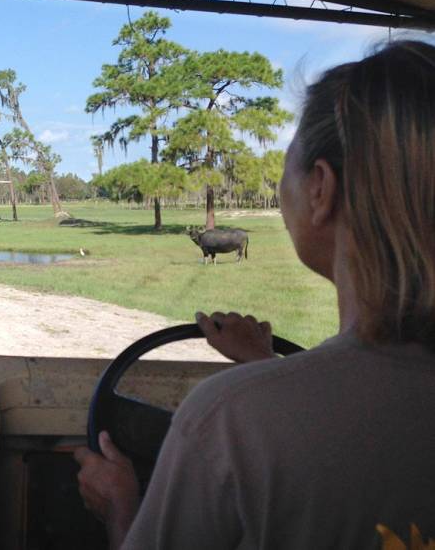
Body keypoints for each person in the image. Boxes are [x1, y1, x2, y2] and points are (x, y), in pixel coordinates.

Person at [75, 40, 435, 549]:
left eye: (285, 168)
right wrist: (266, 364)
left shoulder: (231, 423)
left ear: (319, 188)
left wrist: (120, 508)